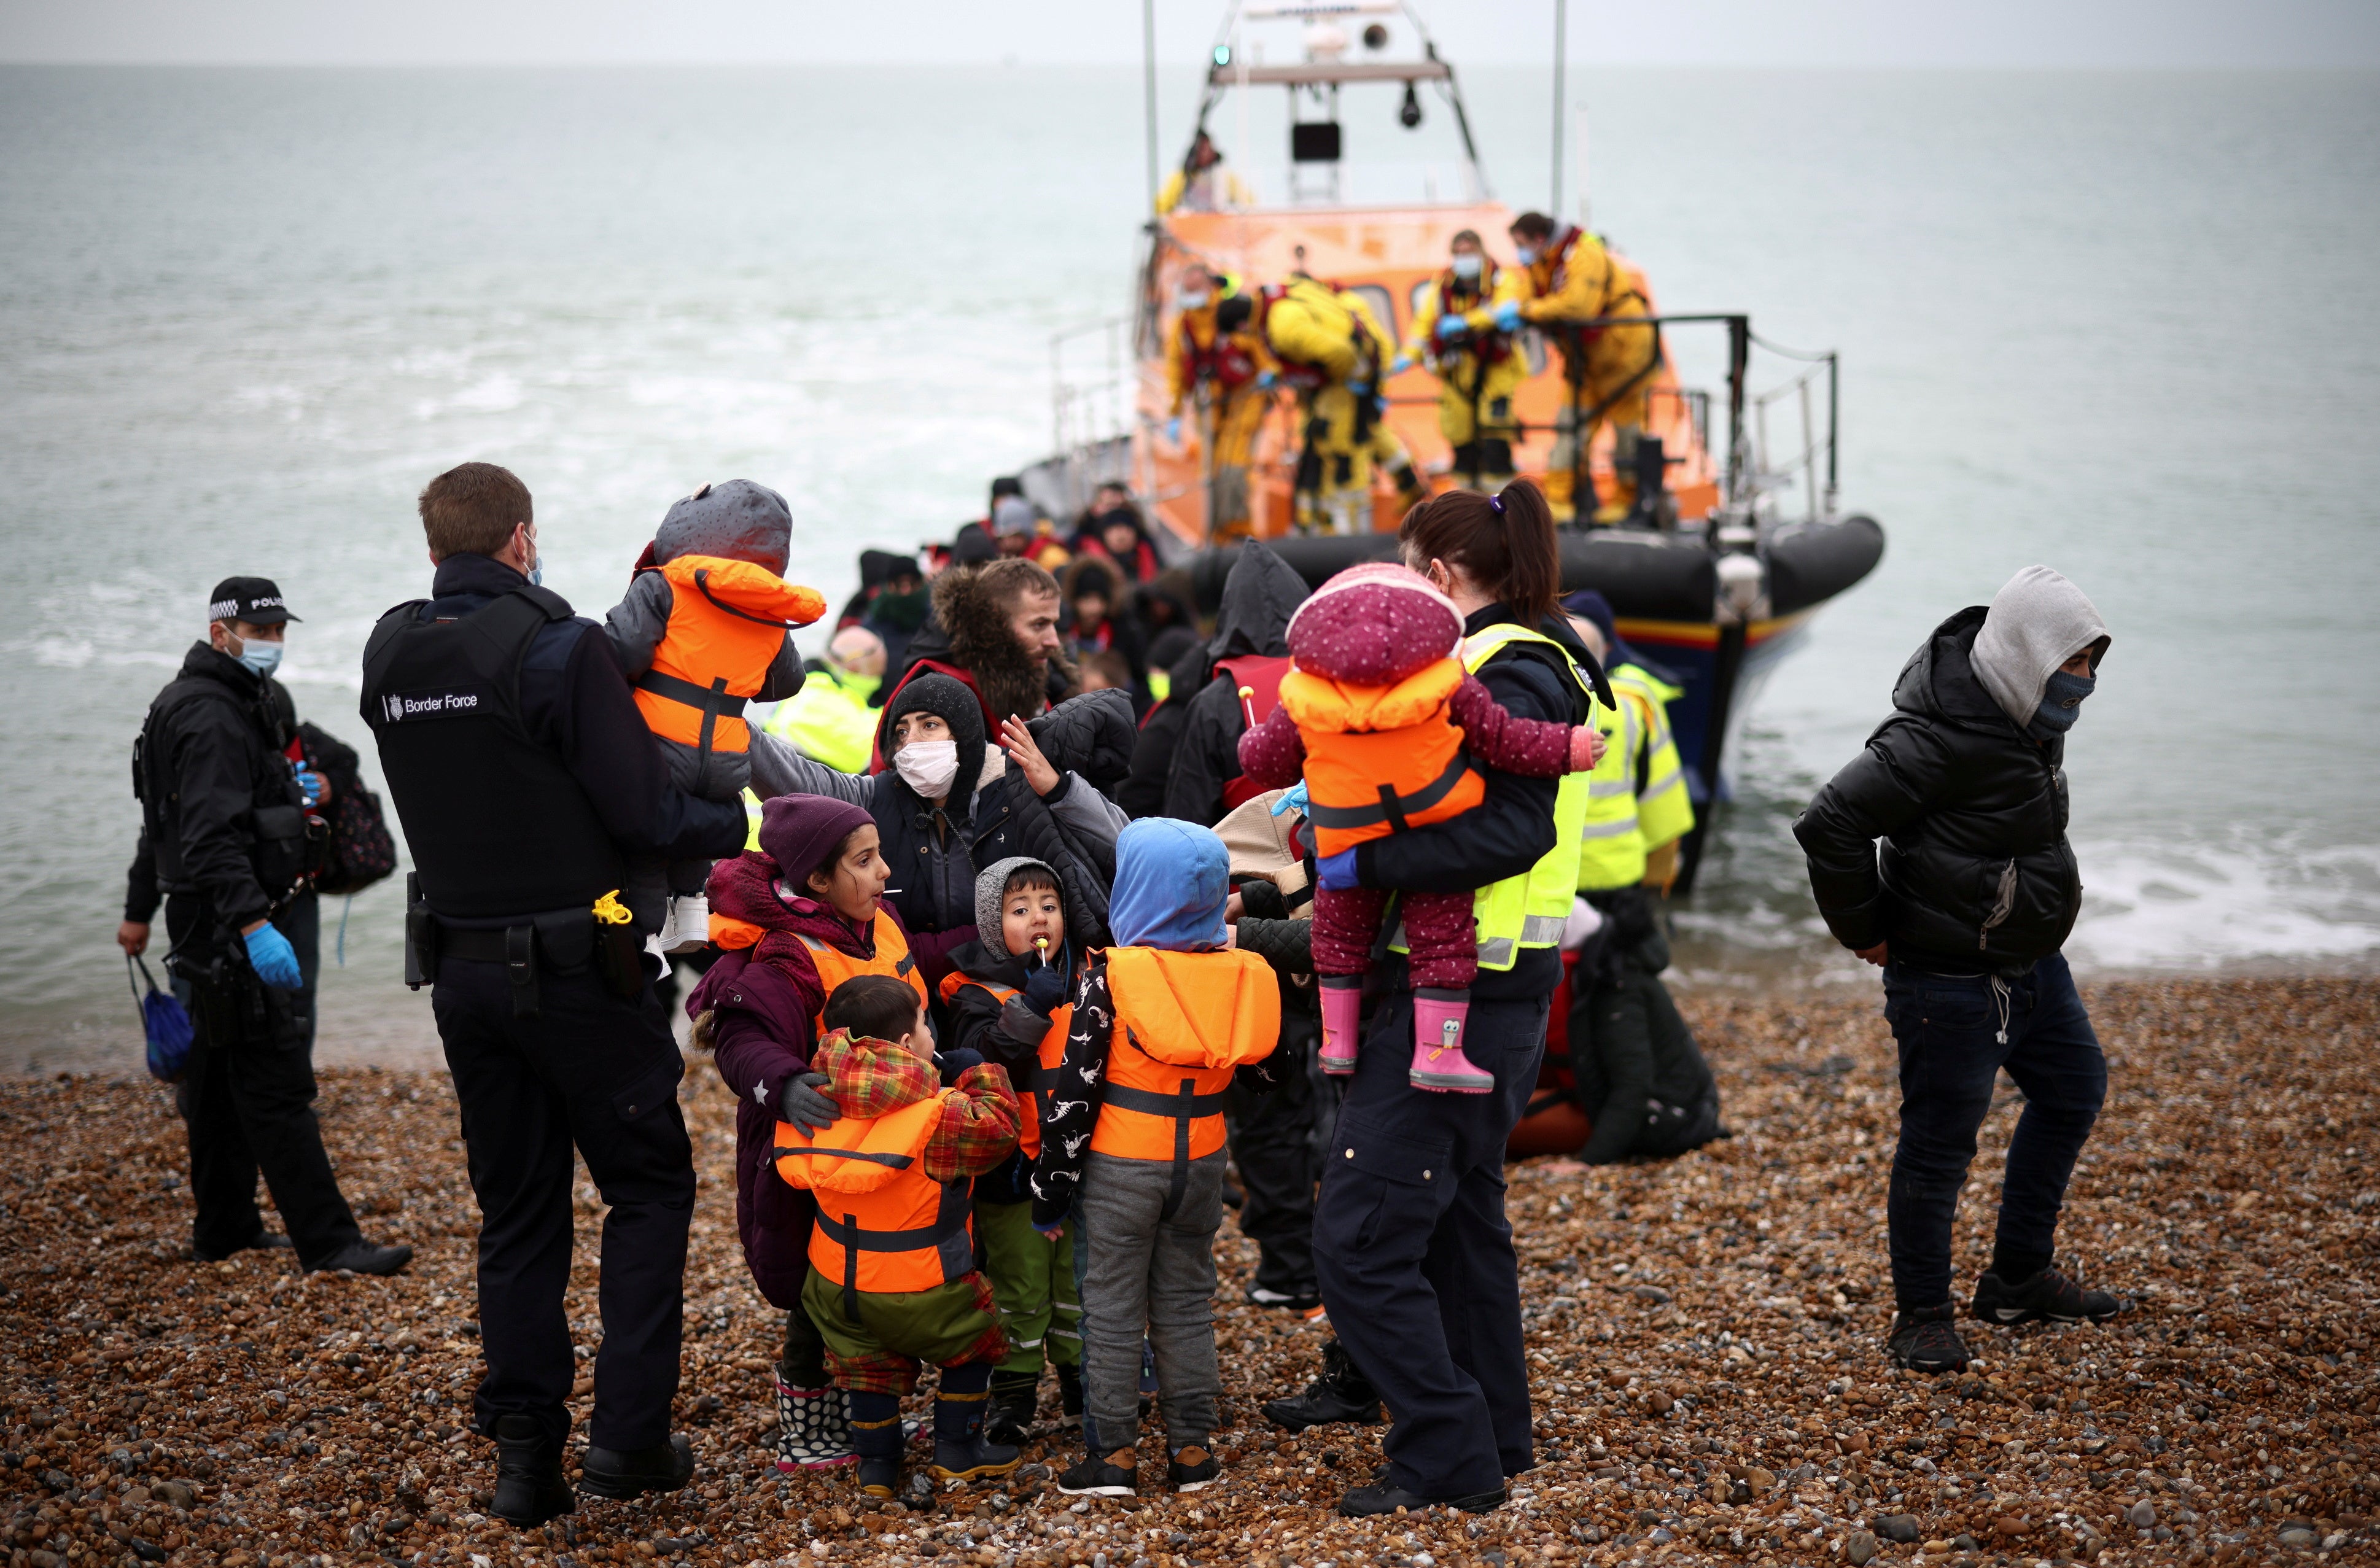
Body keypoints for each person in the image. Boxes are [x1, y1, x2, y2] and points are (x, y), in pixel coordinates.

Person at [359, 462, 747, 1523]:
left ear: (436, 544)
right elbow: (645, 816)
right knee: (648, 1187)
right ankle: (626, 1438)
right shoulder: (559, 644)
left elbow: (477, 774)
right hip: (586, 969)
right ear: (522, 540)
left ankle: (525, 1455)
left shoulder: (387, 649)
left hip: (463, 975)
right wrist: (737, 819)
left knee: (519, 1210)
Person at [1293, 481, 1601, 1515]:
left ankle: (1444, 1451)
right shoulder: (1534, 655)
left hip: (1467, 996)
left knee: (1359, 1236)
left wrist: (1357, 852)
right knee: (1462, 1223)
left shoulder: (1515, 667)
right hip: (1483, 994)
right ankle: (1495, 1438)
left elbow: (1519, 827)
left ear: (1434, 572)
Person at [1794, 565, 2123, 1375]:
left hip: (2033, 964)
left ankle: (2016, 1278)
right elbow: (1829, 824)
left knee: (2075, 1088)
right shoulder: (1931, 739)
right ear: (2021, 655)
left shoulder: (2029, 715)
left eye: (2090, 662)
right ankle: (1922, 1317)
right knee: (1939, 1149)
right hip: (1945, 982)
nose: (2081, 681)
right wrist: (1865, 929)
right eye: (2068, 662)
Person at [120, 576, 406, 1278]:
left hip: (204, 920)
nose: (273, 645)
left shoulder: (214, 702)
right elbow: (209, 836)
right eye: (261, 633)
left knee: (215, 1084)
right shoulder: (212, 716)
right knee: (279, 1085)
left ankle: (224, 1228)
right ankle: (331, 1242)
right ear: (222, 634)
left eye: (280, 631)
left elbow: (183, 825)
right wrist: (254, 925)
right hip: (230, 923)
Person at [1238, 551, 1603, 1090]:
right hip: (1430, 834)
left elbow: (1263, 761)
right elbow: (1502, 738)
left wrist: (1254, 737)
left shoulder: (1304, 693)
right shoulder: (1446, 681)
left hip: (1345, 841)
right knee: (1443, 942)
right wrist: (1568, 746)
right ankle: (1437, 1052)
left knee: (1337, 939)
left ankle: (1338, 1045)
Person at [1028, 818, 1289, 1498]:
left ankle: (1112, 1456)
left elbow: (1074, 1094)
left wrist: (1050, 1191)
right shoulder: (1242, 973)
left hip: (1120, 1167)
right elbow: (1269, 1071)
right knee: (1185, 1301)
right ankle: (1194, 1450)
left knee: (1110, 1307)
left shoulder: (1112, 977)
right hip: (1201, 1163)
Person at [688, 793, 930, 1473]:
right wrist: (789, 1084)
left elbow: (924, 966)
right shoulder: (787, 955)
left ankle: (865, 1412)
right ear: (816, 881)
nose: (884, 871)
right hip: (819, 1144)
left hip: (886, 1137)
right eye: (864, 861)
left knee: (873, 1271)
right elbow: (740, 1039)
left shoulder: (879, 921)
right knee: (816, 1284)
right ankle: (804, 1427)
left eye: (880, 854)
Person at [774, 973, 1024, 1496]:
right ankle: (958, 1452)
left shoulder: (812, 1096)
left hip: (836, 1287)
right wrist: (978, 1072)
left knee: (867, 1371)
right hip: (927, 1286)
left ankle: (878, 1469)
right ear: (909, 1044)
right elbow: (999, 1131)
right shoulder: (940, 1114)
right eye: (926, 1025)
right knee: (976, 1347)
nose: (932, 1034)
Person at [752, 672, 1130, 985]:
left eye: (929, 725)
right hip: (917, 998)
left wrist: (1059, 789)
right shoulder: (879, 795)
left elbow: (1123, 844)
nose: (911, 742)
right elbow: (797, 780)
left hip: (1029, 989)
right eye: (901, 732)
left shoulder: (1023, 788)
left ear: (963, 736)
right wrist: (729, 726)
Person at [1520, 589, 1719, 1163]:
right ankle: (1605, 1081)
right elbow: (1666, 808)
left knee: (1553, 990)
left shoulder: (1533, 694)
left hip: (1551, 876)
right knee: (1619, 984)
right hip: (1617, 876)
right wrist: (1662, 879)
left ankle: (1559, 1080)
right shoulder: (1635, 703)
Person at [603, 479, 825, 947]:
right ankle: (691, 912)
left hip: (659, 747)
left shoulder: (662, 585)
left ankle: (642, 939)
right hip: (727, 761)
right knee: (694, 833)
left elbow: (620, 652)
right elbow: (787, 682)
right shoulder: (764, 611)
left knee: (644, 847)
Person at [938, 858, 1089, 1444]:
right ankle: (1014, 1396)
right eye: (1020, 910)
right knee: (1021, 1285)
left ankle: (1082, 1387)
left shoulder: (1083, 977)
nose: (1038, 919)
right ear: (990, 922)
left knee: (1078, 1283)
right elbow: (983, 1061)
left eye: (1048, 907)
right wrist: (1030, 1006)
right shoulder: (974, 992)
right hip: (1012, 1169)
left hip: (1074, 1159)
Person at [1504, 211, 1659, 527]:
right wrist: (1515, 306)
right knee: (1569, 425)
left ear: (1537, 239)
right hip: (1585, 360)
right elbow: (1526, 290)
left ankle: (1627, 500)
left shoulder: (1584, 255)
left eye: (1520, 244)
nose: (1519, 252)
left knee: (1627, 429)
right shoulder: (1544, 261)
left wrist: (1526, 310)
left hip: (1622, 352)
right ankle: (1559, 501)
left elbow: (1579, 306)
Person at [1253, 270, 1423, 535]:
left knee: (1344, 456)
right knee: (1359, 435)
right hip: (1349, 384)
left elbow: (1342, 352)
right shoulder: (1331, 305)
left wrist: (1360, 379)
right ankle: (1407, 482)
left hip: (1347, 386)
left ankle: (1347, 534)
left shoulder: (1297, 316)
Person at [1154, 540, 1309, 825]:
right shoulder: (1330, 681)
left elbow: (1187, 819)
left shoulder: (1212, 703)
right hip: (1331, 859)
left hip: (1249, 867)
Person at [879, 557, 1073, 747]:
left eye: (1053, 624)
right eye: (1039, 625)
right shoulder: (942, 693)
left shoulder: (1039, 676)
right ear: (995, 624)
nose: (1054, 642)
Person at [1398, 230, 1528, 491]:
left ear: (1481, 252)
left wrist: (1466, 322)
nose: (1463, 258)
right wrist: (1407, 356)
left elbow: (1500, 310)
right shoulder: (1442, 286)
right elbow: (1424, 324)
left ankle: (1500, 507)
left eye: (1468, 253)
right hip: (1457, 374)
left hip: (1495, 371)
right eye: (1458, 254)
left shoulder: (1502, 281)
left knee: (1495, 444)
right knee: (1461, 443)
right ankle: (1468, 509)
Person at [1162, 266, 1275, 541]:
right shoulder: (1184, 324)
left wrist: (1268, 373)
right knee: (1210, 468)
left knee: (1234, 463)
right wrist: (1175, 412)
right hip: (1210, 401)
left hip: (1245, 395)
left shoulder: (1229, 311)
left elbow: (1256, 348)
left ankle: (1239, 528)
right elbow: (1177, 368)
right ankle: (1217, 532)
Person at [764, 626, 887, 776]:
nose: (877, 682)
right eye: (876, 674)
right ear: (854, 669)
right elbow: (877, 749)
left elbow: (865, 717)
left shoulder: (816, 686)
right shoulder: (818, 702)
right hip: (764, 799)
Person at [1062, 560, 1149, 710]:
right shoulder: (1062, 634)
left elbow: (1141, 684)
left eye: (1100, 600)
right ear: (1074, 600)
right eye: (1087, 599)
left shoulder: (1125, 634)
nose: (1094, 608)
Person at [1068, 483, 1165, 582]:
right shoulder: (1080, 542)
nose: (1116, 512)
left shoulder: (1144, 544)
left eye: (1121, 506)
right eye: (1110, 505)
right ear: (1096, 507)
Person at [1154, 130, 1253, 215]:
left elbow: (1248, 202)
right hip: (1189, 225)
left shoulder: (1225, 176)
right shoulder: (1182, 177)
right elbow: (1163, 205)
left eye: (1207, 149)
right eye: (1201, 149)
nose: (1205, 153)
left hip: (1218, 226)